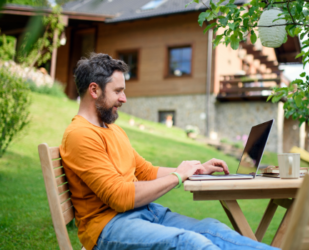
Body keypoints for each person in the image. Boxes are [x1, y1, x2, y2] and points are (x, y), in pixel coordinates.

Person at [60, 53, 279, 250]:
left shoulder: (113, 130)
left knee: (213, 229)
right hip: (109, 227)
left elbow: (145, 172)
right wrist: (178, 176)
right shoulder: (80, 135)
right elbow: (119, 197)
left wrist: (196, 169)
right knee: (191, 244)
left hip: (145, 213)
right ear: (94, 89)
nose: (124, 99)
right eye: (118, 91)